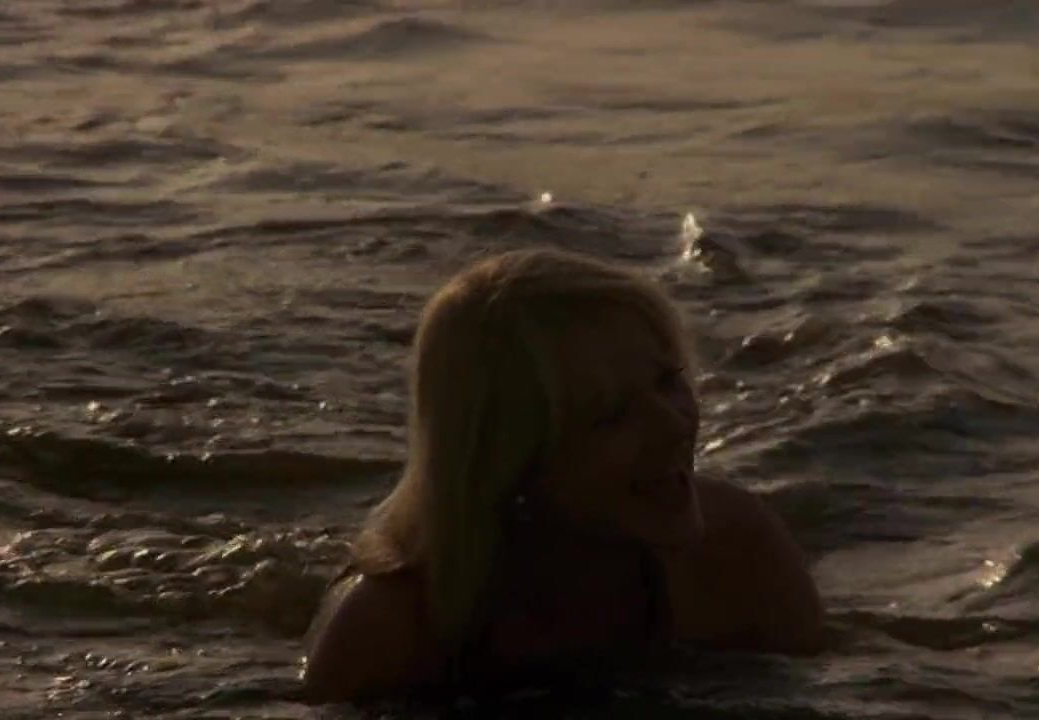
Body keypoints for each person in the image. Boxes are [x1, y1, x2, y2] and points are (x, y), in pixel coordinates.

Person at [301, 248, 824, 703]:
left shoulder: (736, 554)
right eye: (612, 414)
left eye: (668, 381)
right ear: (510, 459)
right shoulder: (389, 632)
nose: (674, 425)